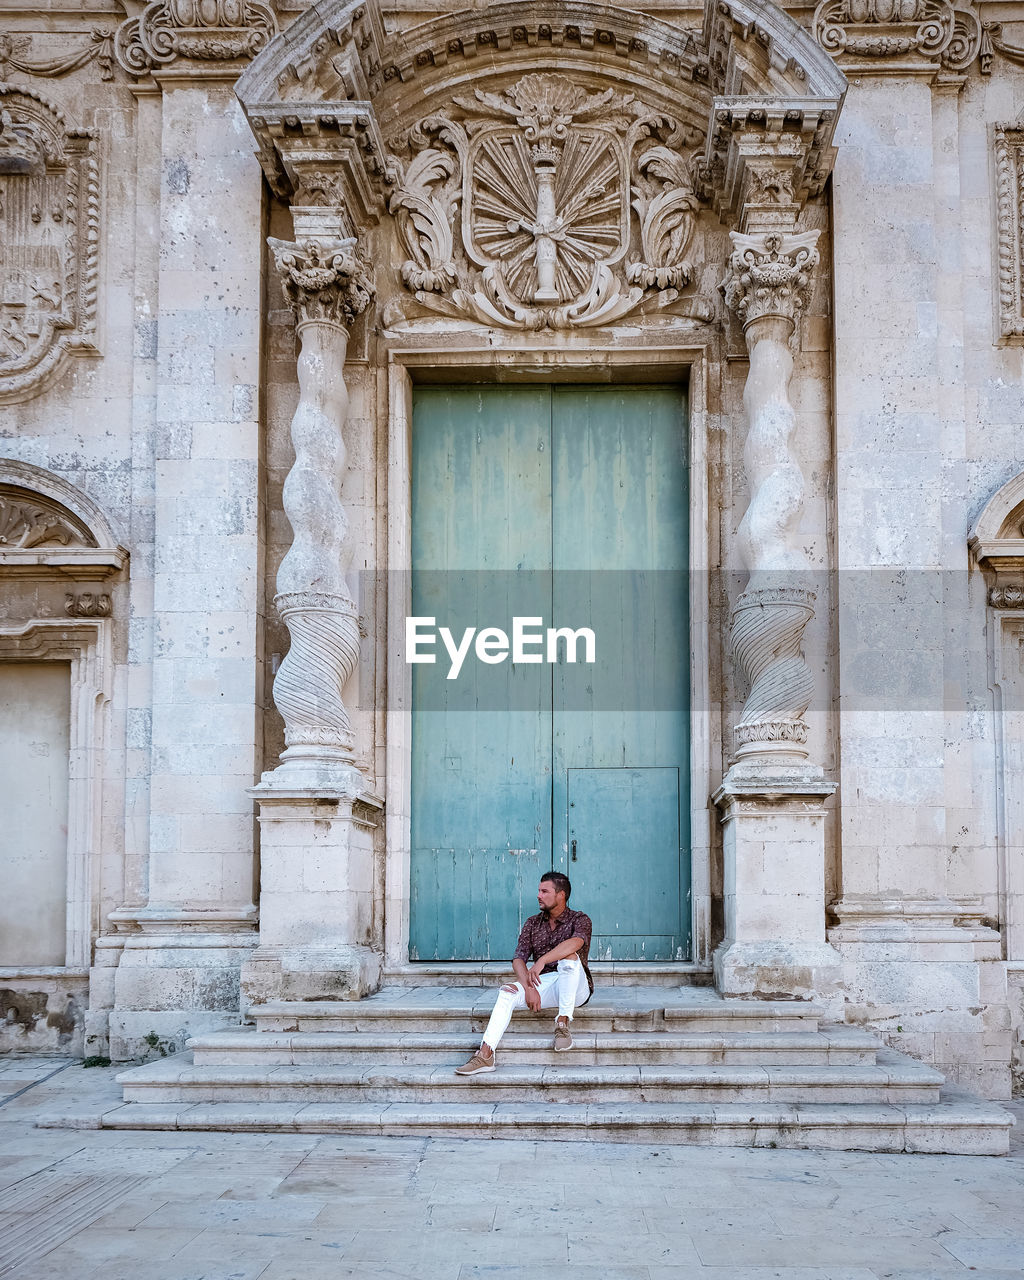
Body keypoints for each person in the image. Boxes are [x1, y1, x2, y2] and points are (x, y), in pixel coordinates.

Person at [455, 871, 593, 1075]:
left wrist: (542, 960)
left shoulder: (580, 919)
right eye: (539, 891)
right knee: (507, 991)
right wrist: (528, 987)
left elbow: (576, 943)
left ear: (561, 895)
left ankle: (562, 1022)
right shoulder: (532, 923)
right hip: (546, 983)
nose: (538, 895)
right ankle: (485, 1055)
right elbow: (519, 958)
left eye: (544, 891)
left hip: (576, 988)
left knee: (569, 958)